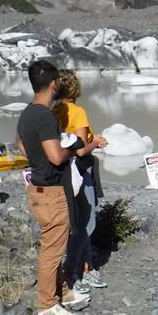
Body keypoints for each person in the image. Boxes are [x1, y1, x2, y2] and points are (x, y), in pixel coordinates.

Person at [16, 60, 104, 315]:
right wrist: (74, 143)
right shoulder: (44, 115)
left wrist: (37, 157)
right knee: (53, 250)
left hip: (39, 186)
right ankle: (48, 305)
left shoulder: (28, 112)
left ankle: (63, 292)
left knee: (56, 242)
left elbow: (21, 145)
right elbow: (56, 156)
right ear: (53, 84)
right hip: (52, 188)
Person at [52, 71, 108, 294]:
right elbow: (82, 149)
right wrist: (96, 142)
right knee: (87, 223)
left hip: (63, 172)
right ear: (76, 88)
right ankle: (72, 269)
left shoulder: (54, 112)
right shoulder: (78, 112)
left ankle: (87, 269)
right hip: (80, 170)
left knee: (78, 222)